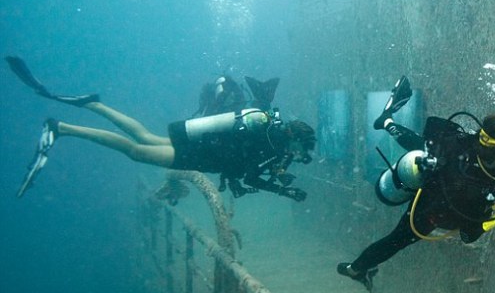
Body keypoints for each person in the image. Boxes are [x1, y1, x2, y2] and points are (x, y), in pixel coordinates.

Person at [7, 56, 314, 201]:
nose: (299, 156)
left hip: (200, 146)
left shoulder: (271, 135)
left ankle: (92, 105)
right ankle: (62, 128)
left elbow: (247, 170)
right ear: (294, 139)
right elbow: (247, 174)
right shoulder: (271, 141)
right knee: (135, 150)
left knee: (142, 138)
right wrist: (283, 190)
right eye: (301, 150)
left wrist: (282, 184)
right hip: (198, 155)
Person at [337, 76, 495, 291]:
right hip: (429, 210)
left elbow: (423, 142)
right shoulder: (474, 193)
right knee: (396, 240)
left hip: (441, 168)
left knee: (425, 147)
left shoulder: (464, 144)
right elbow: (469, 235)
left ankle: (386, 121)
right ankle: (355, 270)